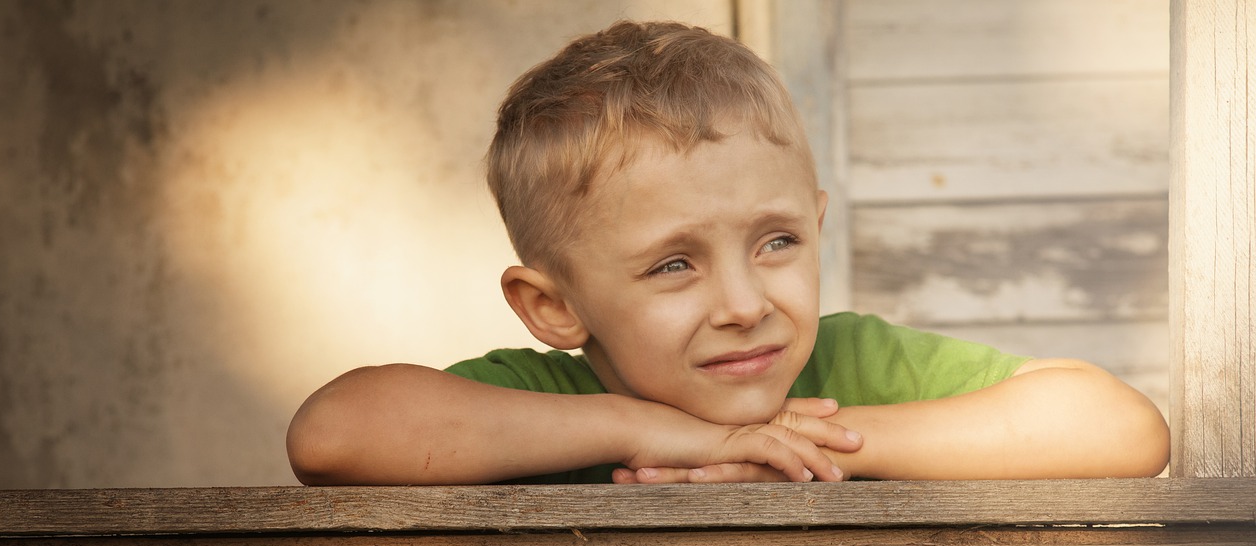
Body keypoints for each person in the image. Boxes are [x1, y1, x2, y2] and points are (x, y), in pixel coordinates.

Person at [287, 20, 1169, 486]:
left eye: (777, 241)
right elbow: (333, 434)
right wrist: (650, 431)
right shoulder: (549, 400)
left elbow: (1122, 429)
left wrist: (829, 447)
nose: (746, 303)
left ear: (818, 225)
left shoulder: (851, 367)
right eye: (674, 264)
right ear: (554, 307)